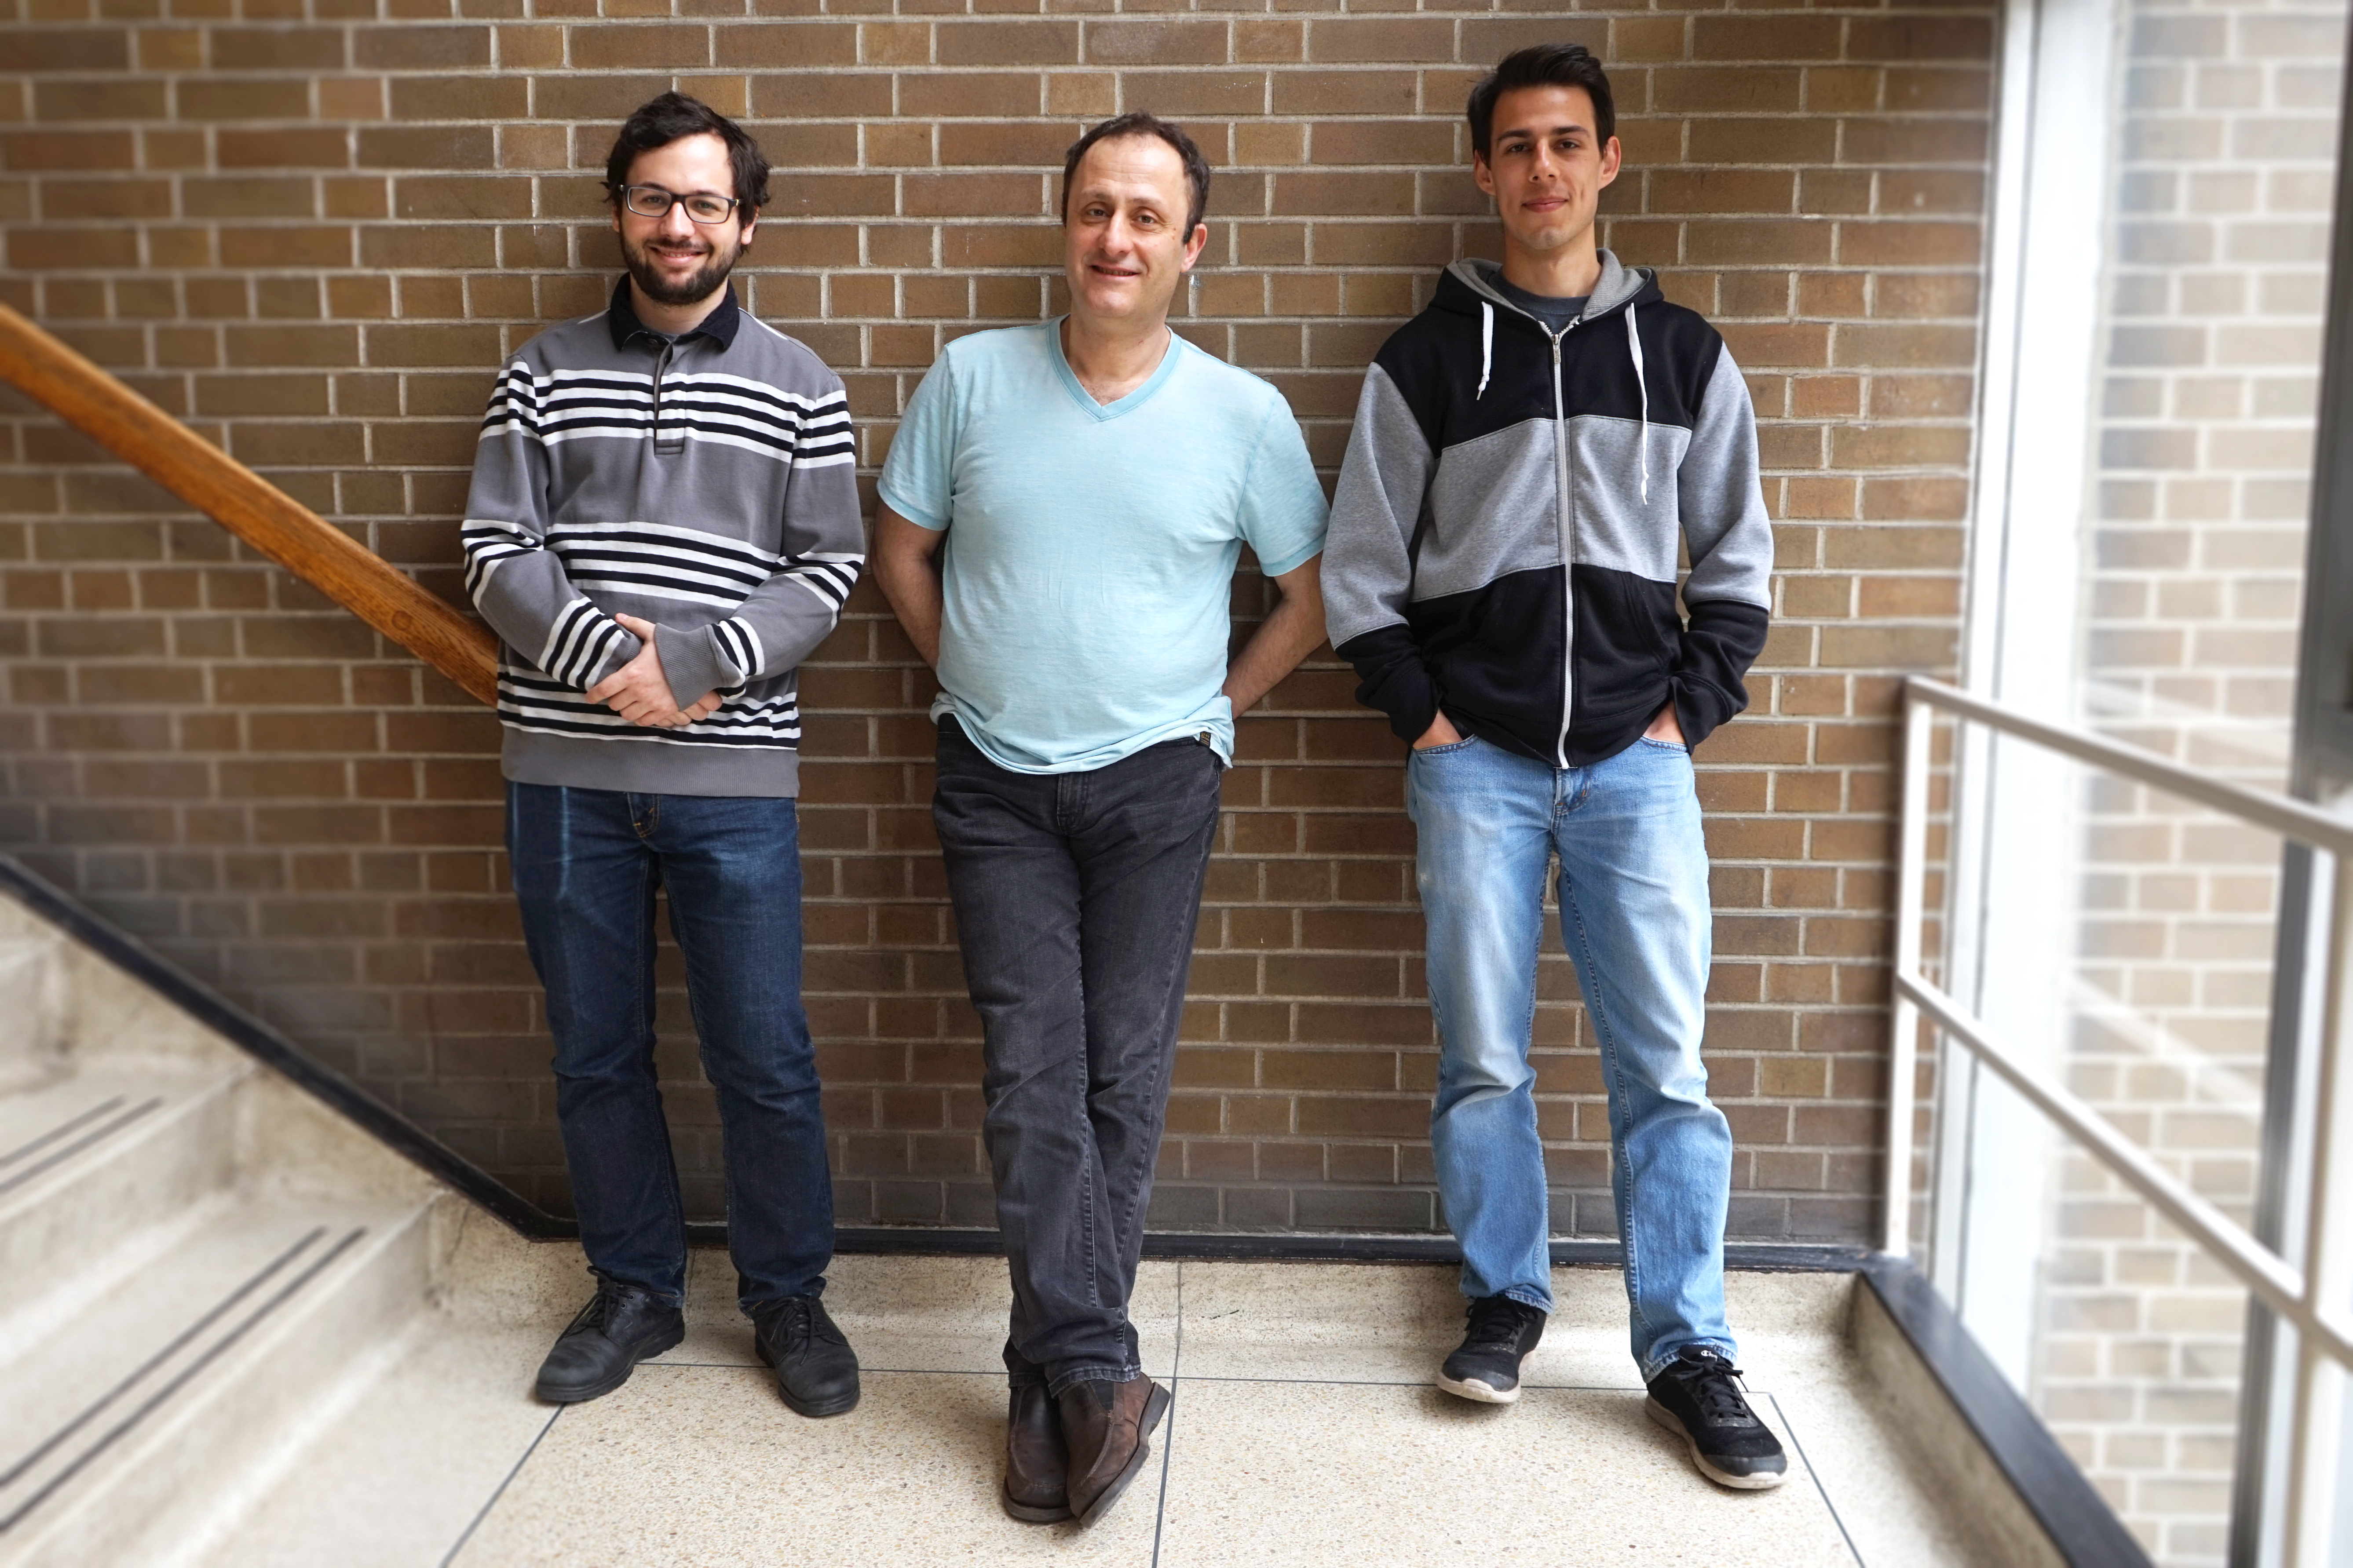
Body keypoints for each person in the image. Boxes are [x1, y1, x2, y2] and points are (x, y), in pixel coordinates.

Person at [1320, 44, 1785, 1489]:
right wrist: (1429, 721)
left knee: (1666, 1071)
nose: (1543, 169)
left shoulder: (1687, 354)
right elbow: (1358, 575)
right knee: (1484, 1062)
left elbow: (1742, 563)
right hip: (1480, 769)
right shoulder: (1425, 359)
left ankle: (1688, 1350)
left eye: (1567, 143)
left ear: (1609, 162)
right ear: (1483, 171)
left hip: (1639, 770)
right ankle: (1507, 1302)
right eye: (1516, 146)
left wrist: (1681, 715)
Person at [870, 113, 1329, 1526]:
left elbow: (1310, 604)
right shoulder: (971, 380)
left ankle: (1047, 1375)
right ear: (1064, 225)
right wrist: (970, 668)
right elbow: (899, 545)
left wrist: (1218, 712)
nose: (1115, 239)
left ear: (1191, 247)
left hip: (1156, 784)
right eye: (1094, 210)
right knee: (1031, 1074)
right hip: (994, 779)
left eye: (1145, 217)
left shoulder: (1243, 417)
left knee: (1121, 1081)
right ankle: (1093, 1371)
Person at [461, 92, 863, 1418]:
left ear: (746, 221)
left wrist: (688, 664)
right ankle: (634, 1287)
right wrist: (604, 662)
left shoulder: (805, 387)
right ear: (620, 209)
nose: (677, 223)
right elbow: (495, 552)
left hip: (733, 782)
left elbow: (828, 569)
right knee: (595, 1050)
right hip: (565, 778)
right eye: (653, 197)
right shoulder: (541, 367)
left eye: (703, 201)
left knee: (764, 1053)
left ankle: (787, 1297)